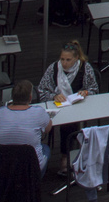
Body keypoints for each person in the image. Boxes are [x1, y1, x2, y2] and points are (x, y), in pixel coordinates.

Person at [36, 40, 100, 175]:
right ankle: (66, 156)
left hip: (80, 106)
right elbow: (41, 90)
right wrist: (54, 96)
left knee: (71, 124)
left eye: (68, 60)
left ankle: (76, 155)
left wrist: (85, 92)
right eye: (62, 59)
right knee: (67, 124)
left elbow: (94, 89)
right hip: (60, 107)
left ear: (76, 58)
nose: (64, 63)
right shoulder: (53, 68)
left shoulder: (85, 68)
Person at [0, 79, 53, 173]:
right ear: (30, 97)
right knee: (45, 148)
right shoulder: (39, 112)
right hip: (31, 170)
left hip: (2, 170)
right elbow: (48, 128)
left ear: (12, 97)